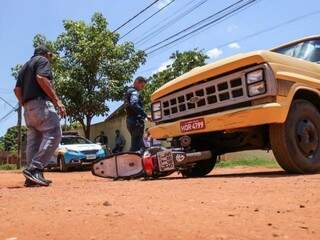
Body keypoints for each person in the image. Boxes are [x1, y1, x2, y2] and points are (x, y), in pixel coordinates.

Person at [14, 45, 66, 187]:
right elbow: (41, 78)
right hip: (41, 104)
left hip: (28, 108)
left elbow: (17, 89)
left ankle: (32, 178)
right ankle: (34, 168)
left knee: (34, 142)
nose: (51, 58)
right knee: (54, 133)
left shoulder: (25, 67)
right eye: (51, 55)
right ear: (46, 53)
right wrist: (57, 101)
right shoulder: (42, 61)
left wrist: (25, 104)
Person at [125, 76, 151, 151]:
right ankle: (130, 162)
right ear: (137, 82)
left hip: (130, 121)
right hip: (136, 122)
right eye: (142, 85)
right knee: (136, 147)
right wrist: (146, 115)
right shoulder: (134, 92)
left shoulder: (128, 91)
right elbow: (134, 104)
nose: (142, 88)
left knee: (139, 145)